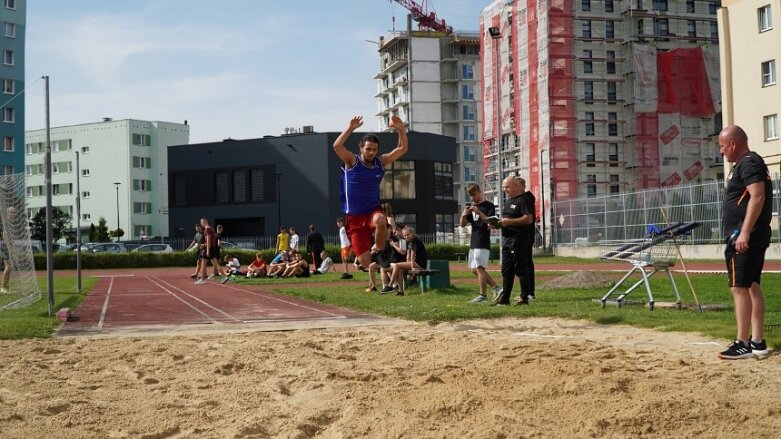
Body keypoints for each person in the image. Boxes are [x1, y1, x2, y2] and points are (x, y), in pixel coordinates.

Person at [717, 125, 772, 360]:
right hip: (746, 235)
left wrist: (744, 233)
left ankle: (742, 343)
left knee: (738, 287)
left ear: (732, 144)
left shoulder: (749, 162)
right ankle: (757, 341)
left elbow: (757, 196)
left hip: (744, 237)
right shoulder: (745, 164)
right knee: (751, 286)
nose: (721, 152)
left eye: (722, 146)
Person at [332, 114, 408, 271]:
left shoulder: (381, 162)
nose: (371, 152)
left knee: (381, 219)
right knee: (367, 264)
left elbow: (402, 149)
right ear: (361, 148)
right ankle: (378, 268)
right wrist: (350, 128)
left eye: (374, 150)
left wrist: (401, 129)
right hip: (354, 217)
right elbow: (337, 146)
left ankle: (380, 251)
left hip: (372, 211)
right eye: (368, 149)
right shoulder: (352, 161)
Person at [491, 177, 535, 306]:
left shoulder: (524, 200)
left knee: (521, 270)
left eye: (508, 187)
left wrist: (509, 222)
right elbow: (507, 219)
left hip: (519, 240)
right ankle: (505, 300)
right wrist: (497, 224)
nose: (505, 190)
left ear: (517, 186)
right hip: (507, 240)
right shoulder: (509, 201)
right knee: (506, 271)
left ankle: (524, 298)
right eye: (504, 187)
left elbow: (528, 219)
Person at [460, 183, 502, 303]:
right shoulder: (471, 207)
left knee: (479, 268)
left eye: (474, 194)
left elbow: (491, 223)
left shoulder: (489, 206)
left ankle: (483, 295)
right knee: (474, 269)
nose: (472, 198)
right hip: (473, 241)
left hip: (482, 240)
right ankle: (496, 287)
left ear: (479, 192)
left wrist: (479, 212)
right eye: (470, 196)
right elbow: (462, 225)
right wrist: (463, 216)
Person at [387, 226, 427, 296]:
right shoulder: (409, 242)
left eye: (408, 234)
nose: (406, 236)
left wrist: (412, 268)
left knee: (396, 265)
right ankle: (401, 291)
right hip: (414, 263)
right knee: (399, 269)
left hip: (420, 264)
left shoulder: (415, 241)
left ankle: (390, 286)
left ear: (413, 234)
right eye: (404, 235)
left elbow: (412, 257)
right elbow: (408, 256)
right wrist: (408, 266)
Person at [195, 217, 224, 285]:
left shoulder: (207, 229)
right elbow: (209, 240)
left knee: (203, 263)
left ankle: (202, 279)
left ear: (203, 222)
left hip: (209, 249)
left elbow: (209, 240)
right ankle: (224, 276)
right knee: (215, 264)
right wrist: (204, 245)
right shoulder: (211, 229)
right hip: (211, 248)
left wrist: (207, 250)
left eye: (201, 222)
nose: (201, 224)